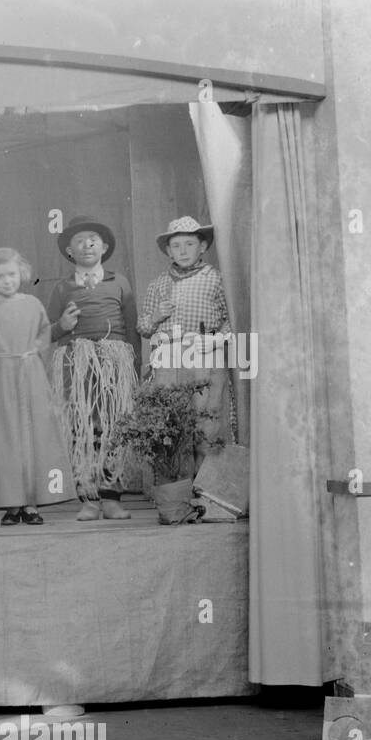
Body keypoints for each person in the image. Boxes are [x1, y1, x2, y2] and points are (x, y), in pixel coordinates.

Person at [45, 215, 139, 520]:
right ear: (70, 251)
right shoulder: (62, 288)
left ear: (105, 246)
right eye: (79, 241)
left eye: (93, 240)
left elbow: (133, 327)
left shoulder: (119, 282)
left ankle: (111, 497)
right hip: (77, 361)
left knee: (113, 427)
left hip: (115, 361)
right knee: (82, 428)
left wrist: (134, 366)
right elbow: (47, 332)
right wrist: (63, 325)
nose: (87, 245)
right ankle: (88, 498)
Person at [0, 248, 76, 524]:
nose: (7, 280)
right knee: (6, 440)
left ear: (21, 273)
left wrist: (57, 331)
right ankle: (12, 503)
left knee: (33, 438)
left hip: (30, 374)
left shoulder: (32, 304)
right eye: (0, 276)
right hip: (0, 375)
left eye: (12, 274)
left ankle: (32, 503)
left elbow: (44, 334)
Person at [137, 216, 232, 468]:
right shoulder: (158, 284)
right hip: (168, 360)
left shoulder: (215, 278)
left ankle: (205, 491)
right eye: (177, 246)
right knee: (172, 423)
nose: (183, 251)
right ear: (168, 251)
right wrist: (156, 316)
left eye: (189, 244)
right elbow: (143, 328)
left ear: (203, 247)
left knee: (207, 421)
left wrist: (215, 341)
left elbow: (232, 320)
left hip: (205, 356)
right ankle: (177, 493)